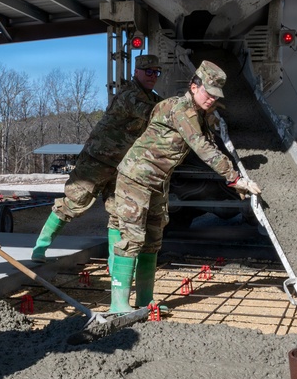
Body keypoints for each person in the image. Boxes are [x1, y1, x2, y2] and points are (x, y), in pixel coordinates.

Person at [107, 60, 261, 313]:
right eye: (208, 93)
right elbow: (201, 147)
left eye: (215, 96)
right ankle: (118, 304)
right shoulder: (182, 110)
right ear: (193, 86)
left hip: (158, 180)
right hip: (136, 178)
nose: (211, 99)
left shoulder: (193, 112)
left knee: (153, 239)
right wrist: (234, 178)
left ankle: (144, 300)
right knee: (132, 238)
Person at [31, 54, 163, 262]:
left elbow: (164, 108)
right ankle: (40, 247)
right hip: (98, 159)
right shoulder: (129, 94)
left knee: (119, 213)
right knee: (74, 202)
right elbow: (152, 113)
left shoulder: (153, 98)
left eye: (156, 72)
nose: (153, 76)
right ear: (136, 72)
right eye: (148, 71)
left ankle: (114, 262)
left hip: (121, 165)